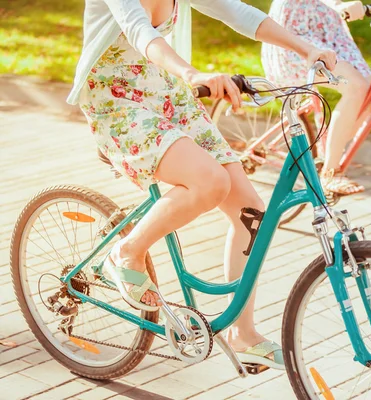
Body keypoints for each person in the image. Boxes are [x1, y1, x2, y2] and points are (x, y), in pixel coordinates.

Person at [66, 0, 336, 370]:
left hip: (168, 94)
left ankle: (242, 333)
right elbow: (139, 31)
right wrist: (192, 73)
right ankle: (126, 253)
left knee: (251, 214)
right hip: (116, 99)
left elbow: (236, 11)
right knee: (209, 182)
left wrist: (307, 48)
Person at [262, 0, 371, 195]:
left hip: (330, 30)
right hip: (297, 32)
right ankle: (330, 172)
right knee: (356, 87)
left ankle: (328, 150)